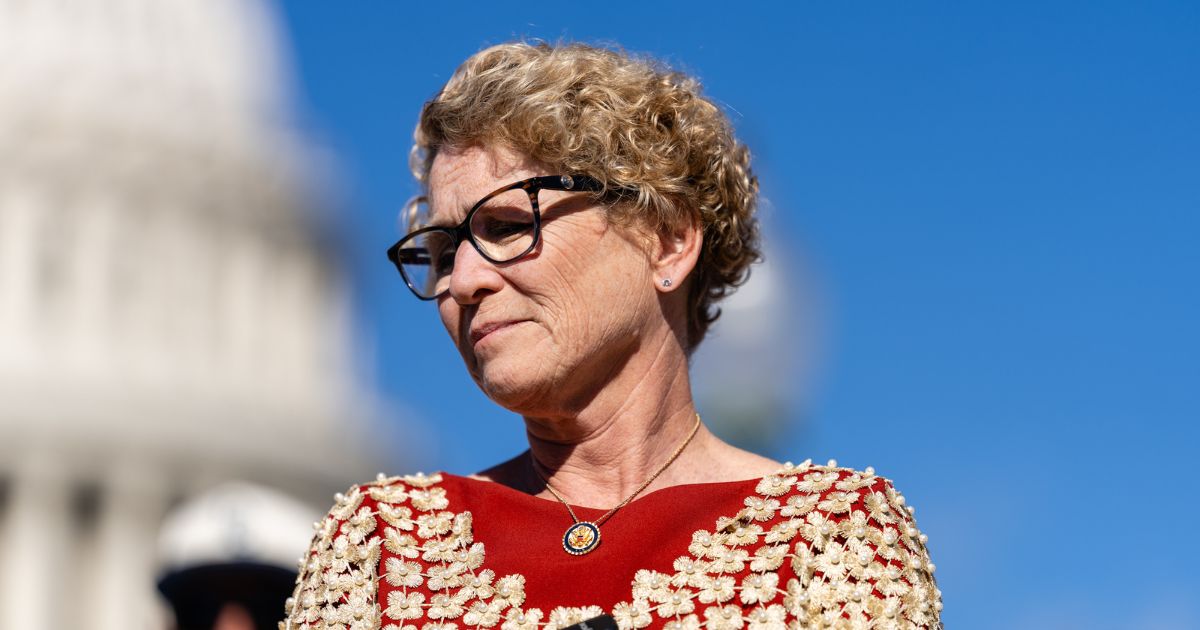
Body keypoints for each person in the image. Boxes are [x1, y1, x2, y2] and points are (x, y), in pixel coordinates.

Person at [281, 42, 941, 630]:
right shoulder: (381, 547)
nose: (464, 281)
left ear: (668, 239)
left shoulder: (832, 533)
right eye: (444, 250)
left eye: (508, 225)